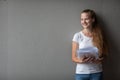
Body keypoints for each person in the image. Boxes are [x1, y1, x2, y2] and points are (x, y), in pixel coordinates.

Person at [72, 9, 108, 80]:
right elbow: (73, 58)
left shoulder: (100, 35)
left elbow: (104, 55)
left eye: (86, 19)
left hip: (97, 73)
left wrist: (99, 60)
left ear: (93, 20)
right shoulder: (77, 35)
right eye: (82, 19)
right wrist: (82, 60)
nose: (83, 22)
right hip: (81, 73)